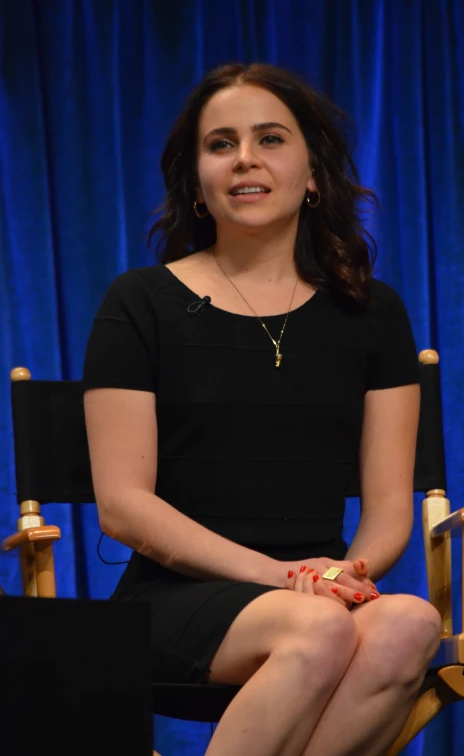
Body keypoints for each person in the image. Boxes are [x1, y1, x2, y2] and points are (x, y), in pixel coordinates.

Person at [82, 62, 441, 756]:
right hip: (174, 597)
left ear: (312, 174)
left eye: (270, 138)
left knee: (409, 623)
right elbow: (123, 505)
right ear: (195, 184)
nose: (245, 157)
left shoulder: (374, 312)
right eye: (221, 144)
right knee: (322, 630)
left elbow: (391, 507)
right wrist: (281, 577)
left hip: (321, 592)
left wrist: (345, 576)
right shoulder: (140, 303)